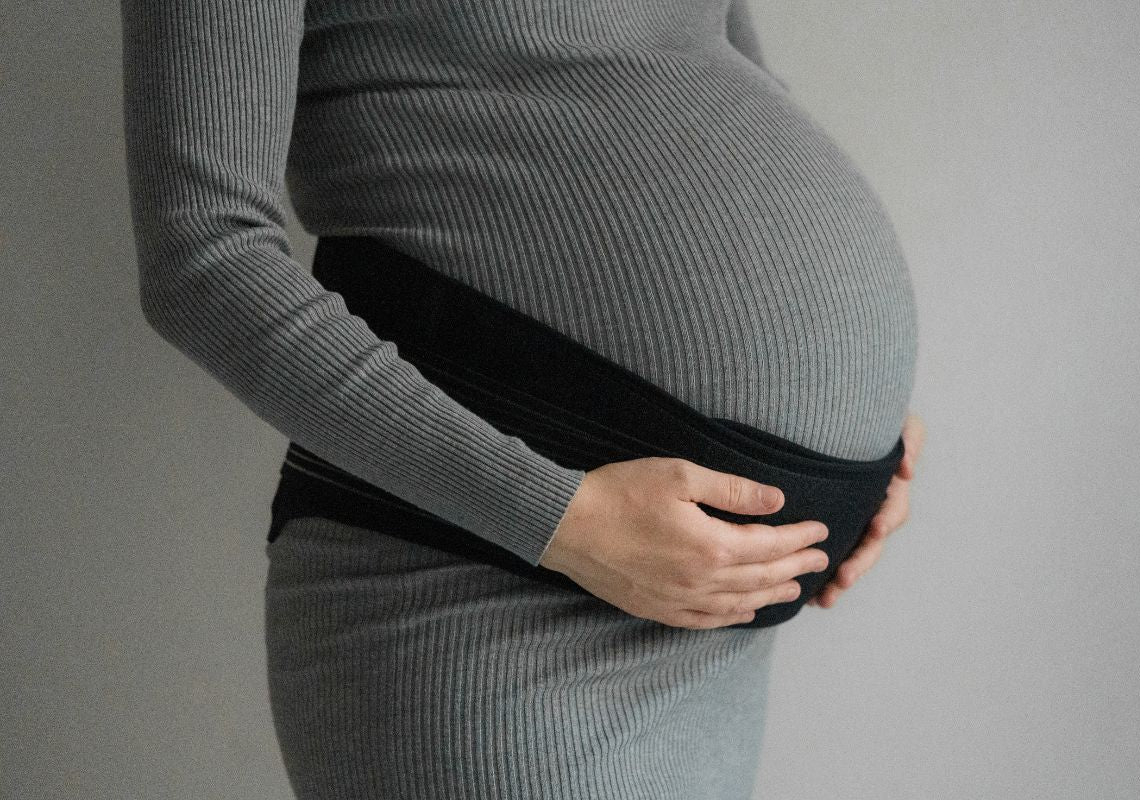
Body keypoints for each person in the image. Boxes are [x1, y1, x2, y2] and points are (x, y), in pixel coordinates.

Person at [119, 0, 925, 797]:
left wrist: (855, 434)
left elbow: (724, 79)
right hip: (479, 598)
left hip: (705, 612)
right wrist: (558, 518)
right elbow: (204, 252)